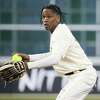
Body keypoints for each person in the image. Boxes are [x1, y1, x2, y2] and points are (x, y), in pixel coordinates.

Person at [17, 4, 97, 100]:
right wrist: (30, 57)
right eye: (43, 17)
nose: (45, 20)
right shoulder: (57, 32)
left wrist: (28, 66)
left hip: (83, 75)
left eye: (49, 16)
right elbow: (52, 55)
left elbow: (54, 59)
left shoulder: (61, 32)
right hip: (78, 76)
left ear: (58, 18)